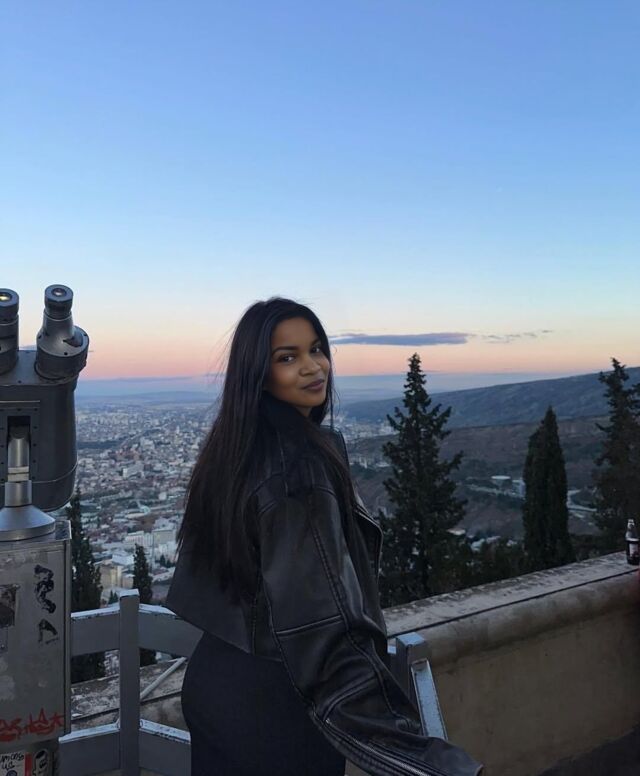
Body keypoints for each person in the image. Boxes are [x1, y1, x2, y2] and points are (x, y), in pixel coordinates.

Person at [166, 297, 483, 776]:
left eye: (316, 349)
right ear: (259, 374)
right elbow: (324, 636)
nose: (313, 367)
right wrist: (436, 765)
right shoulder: (296, 472)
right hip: (277, 711)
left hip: (215, 683)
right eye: (287, 357)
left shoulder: (234, 449)